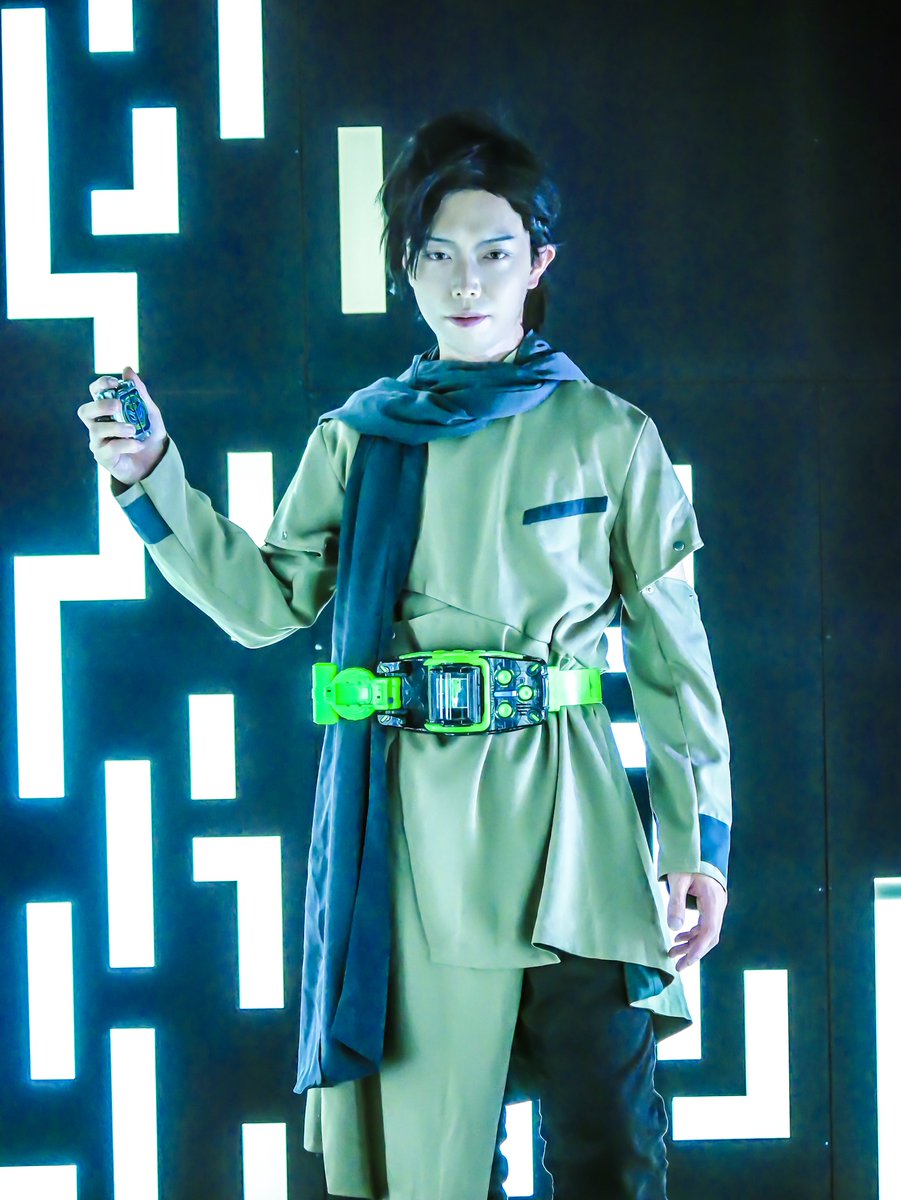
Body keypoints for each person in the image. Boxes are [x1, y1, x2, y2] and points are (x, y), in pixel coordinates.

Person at [77, 109, 731, 1200]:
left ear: (537, 264)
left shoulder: (611, 435)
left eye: (493, 253)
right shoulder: (361, 435)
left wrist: (697, 846)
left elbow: (674, 661)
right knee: (436, 1165)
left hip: (576, 827)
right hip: (415, 840)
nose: (465, 281)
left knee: (612, 1149)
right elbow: (266, 604)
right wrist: (152, 476)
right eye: (436, 254)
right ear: (406, 270)